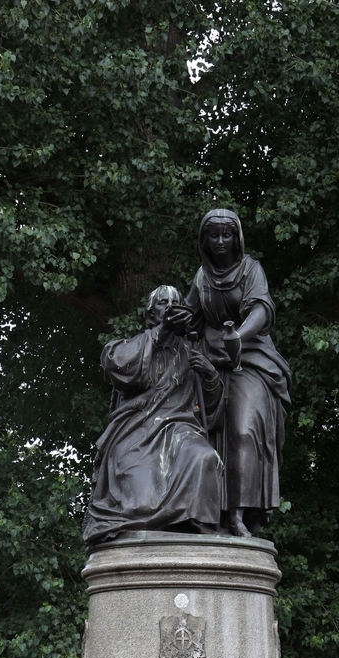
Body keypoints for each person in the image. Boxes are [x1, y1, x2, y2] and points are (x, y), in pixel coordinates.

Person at [83, 285, 224, 546]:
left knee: (205, 456)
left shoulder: (191, 353)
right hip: (137, 432)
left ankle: (194, 524)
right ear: (150, 316)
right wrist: (162, 332)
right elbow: (118, 366)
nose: (169, 307)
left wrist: (210, 376)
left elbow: (210, 413)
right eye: (162, 303)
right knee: (141, 503)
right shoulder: (132, 345)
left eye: (175, 304)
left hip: (180, 431)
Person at [184, 208, 292, 538]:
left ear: (236, 238)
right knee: (191, 431)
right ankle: (203, 511)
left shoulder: (250, 269)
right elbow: (188, 318)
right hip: (211, 365)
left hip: (251, 360)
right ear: (205, 240)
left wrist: (239, 336)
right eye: (213, 235)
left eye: (226, 234)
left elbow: (262, 308)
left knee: (245, 430)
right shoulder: (201, 278)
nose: (220, 241)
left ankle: (240, 513)